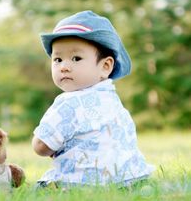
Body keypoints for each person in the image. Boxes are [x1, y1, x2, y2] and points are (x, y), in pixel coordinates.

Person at [32, 10, 155, 188]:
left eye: (76, 58)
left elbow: (41, 146)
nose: (64, 67)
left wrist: (47, 145)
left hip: (84, 182)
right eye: (57, 59)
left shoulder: (68, 103)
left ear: (105, 66)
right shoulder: (112, 99)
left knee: (42, 188)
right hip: (129, 178)